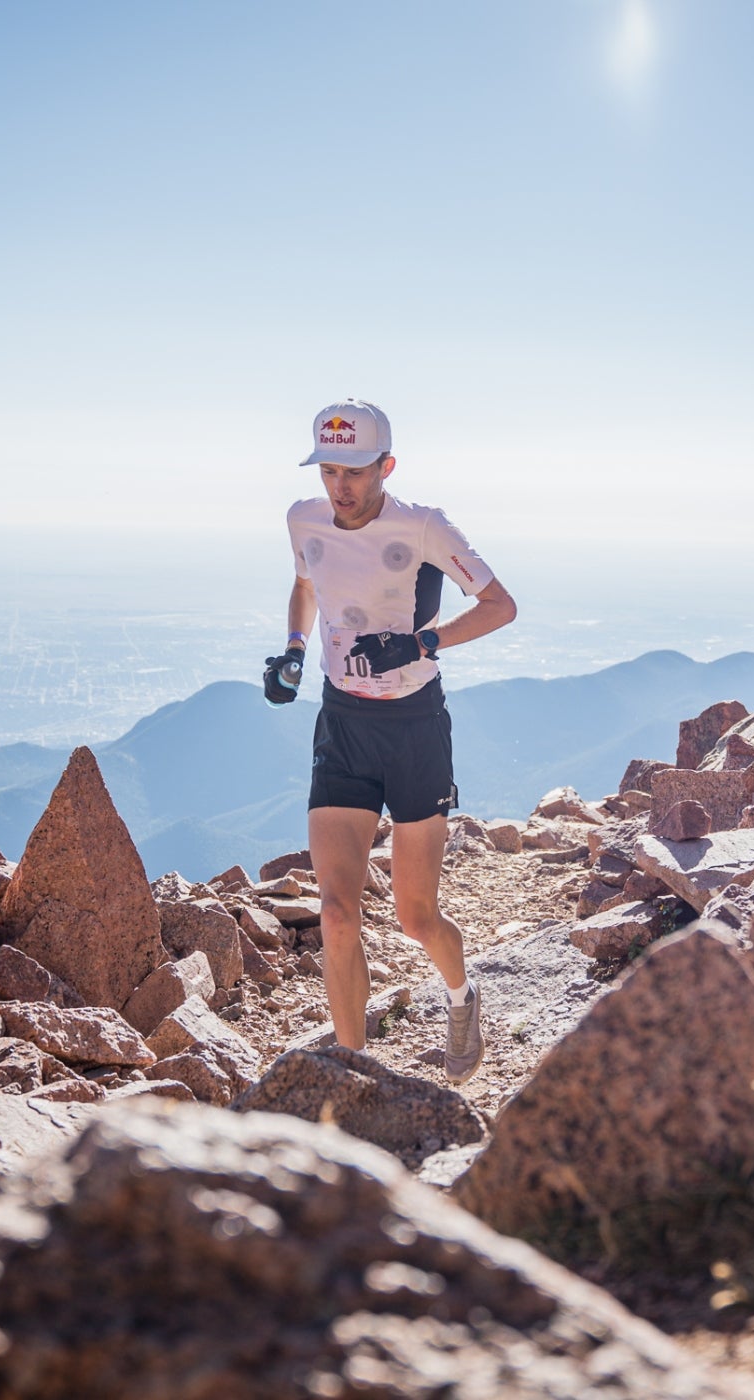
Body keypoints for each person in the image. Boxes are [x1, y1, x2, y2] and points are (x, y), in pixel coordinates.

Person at [264, 398, 516, 1083]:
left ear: (386, 466)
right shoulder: (303, 518)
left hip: (413, 730)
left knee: (414, 916)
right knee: (338, 916)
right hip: (343, 724)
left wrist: (421, 641)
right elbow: (303, 583)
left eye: (353, 470)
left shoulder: (425, 526)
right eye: (327, 471)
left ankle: (462, 1000)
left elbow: (501, 605)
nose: (338, 486)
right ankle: (355, 1078)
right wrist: (292, 648)